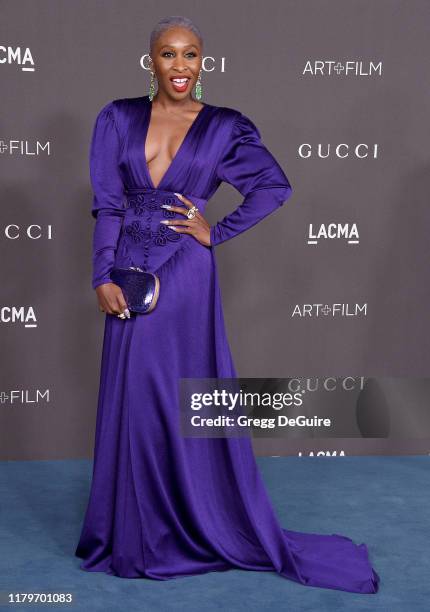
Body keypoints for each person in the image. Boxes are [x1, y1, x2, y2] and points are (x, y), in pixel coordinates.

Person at [75, 15, 380, 594]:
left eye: (191, 55)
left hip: (185, 276)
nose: (181, 67)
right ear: (151, 62)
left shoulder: (224, 127)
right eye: (168, 55)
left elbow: (273, 185)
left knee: (177, 394)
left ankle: (187, 525)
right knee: (134, 399)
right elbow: (107, 205)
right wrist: (101, 275)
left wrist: (217, 230)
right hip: (126, 274)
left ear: (203, 62)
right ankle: (135, 533)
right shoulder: (115, 118)